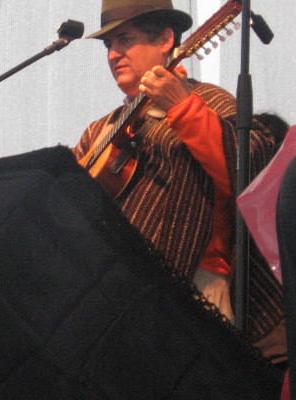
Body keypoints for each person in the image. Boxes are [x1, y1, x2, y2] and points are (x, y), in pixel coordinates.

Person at [73, 0, 283, 352]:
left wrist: (181, 106)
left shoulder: (208, 100)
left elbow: (248, 172)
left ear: (165, 40)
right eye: (108, 45)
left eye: (125, 39)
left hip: (194, 288)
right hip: (114, 291)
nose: (113, 54)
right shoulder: (100, 130)